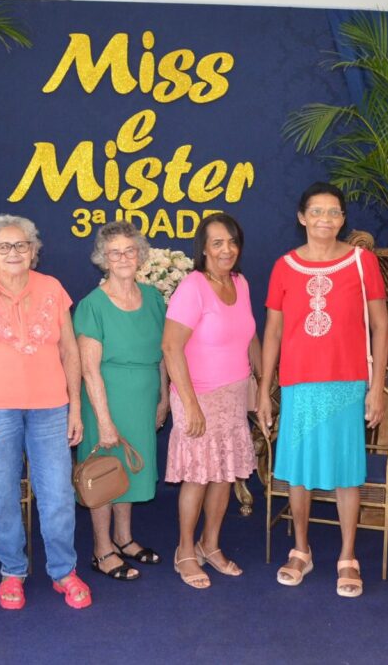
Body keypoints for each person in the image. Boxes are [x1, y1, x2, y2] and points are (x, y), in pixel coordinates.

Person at [0, 215, 91, 610]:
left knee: (58, 495)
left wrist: (75, 407)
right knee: (3, 494)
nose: (13, 253)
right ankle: (12, 571)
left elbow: (70, 351)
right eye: (3, 246)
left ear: (33, 250)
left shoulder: (52, 288)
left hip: (51, 409)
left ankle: (63, 571)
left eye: (21, 245)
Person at [258, 182, 388, 598]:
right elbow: (273, 332)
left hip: (348, 383)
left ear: (343, 219)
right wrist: (264, 390)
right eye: (316, 211)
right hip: (298, 384)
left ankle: (348, 556)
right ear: (302, 217)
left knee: (348, 471)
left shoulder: (362, 262)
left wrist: (377, 387)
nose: (325, 219)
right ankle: (301, 549)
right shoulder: (284, 266)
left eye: (333, 212)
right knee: (298, 472)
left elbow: (380, 327)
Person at [161, 213, 259, 590]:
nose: (226, 249)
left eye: (232, 242)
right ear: (203, 248)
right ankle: (185, 550)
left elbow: (250, 336)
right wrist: (190, 403)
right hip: (197, 395)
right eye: (217, 243)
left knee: (224, 474)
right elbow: (171, 347)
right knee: (198, 476)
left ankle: (210, 544)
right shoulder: (193, 287)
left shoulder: (241, 283)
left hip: (233, 395)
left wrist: (260, 382)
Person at [75, 221, 169, 581]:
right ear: (103, 259)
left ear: (140, 254)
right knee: (104, 474)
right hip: (106, 400)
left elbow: (162, 354)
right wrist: (104, 421)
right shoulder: (92, 305)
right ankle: (102, 550)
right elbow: (89, 370)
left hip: (143, 400)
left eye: (130, 250)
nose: (124, 258)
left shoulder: (154, 298)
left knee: (128, 471)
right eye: (115, 253)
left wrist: (163, 398)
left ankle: (124, 539)